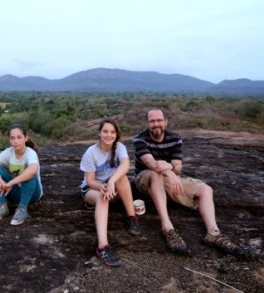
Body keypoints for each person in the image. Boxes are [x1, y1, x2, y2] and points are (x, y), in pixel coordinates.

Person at [133, 107, 244, 255]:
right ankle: (168, 228)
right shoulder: (139, 139)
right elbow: (151, 164)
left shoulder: (175, 138)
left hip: (166, 178)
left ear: (166, 121)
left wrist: (171, 172)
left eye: (159, 120)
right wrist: (170, 173)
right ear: (147, 124)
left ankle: (213, 233)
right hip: (144, 179)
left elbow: (178, 167)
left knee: (206, 190)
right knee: (155, 174)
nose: (156, 124)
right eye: (152, 121)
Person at [80, 119, 141, 267]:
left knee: (122, 178)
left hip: (112, 187)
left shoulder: (119, 147)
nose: (109, 135)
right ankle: (102, 247)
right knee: (102, 197)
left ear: (117, 134)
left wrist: (111, 182)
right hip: (94, 190)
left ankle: (132, 217)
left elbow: (125, 165)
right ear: (99, 133)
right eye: (105, 131)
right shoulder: (91, 152)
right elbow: (90, 181)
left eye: (112, 132)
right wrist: (103, 187)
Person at [0, 125, 43, 225]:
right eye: (12, 138)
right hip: (14, 191)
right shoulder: (8, 152)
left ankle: (22, 208)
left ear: (26, 138)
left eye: (19, 137)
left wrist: (10, 183)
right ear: (9, 140)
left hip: (32, 193)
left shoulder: (30, 153)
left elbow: (33, 170)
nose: (16, 141)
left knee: (29, 173)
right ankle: (3, 206)